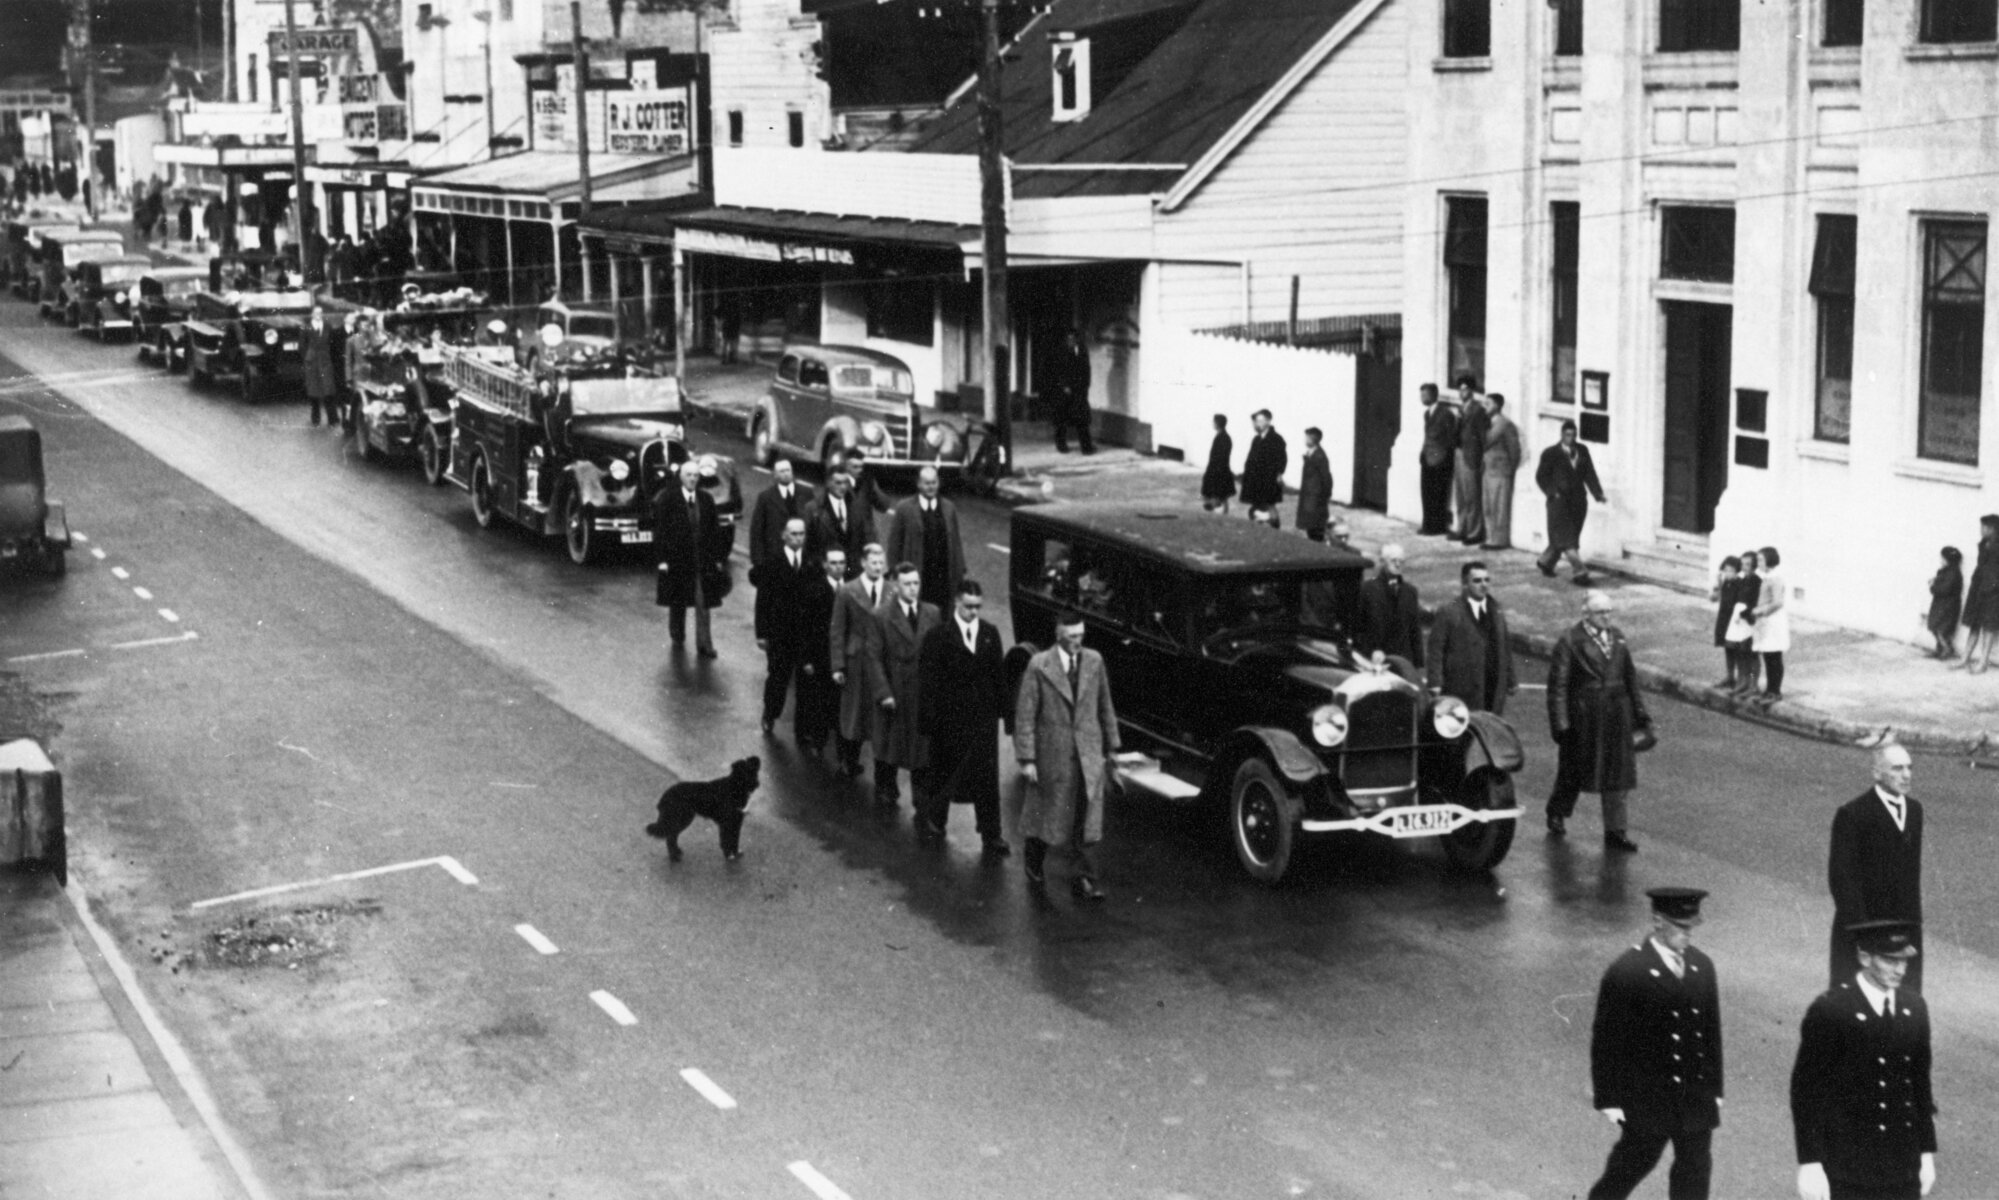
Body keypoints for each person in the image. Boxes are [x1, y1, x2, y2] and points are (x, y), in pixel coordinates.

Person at [1585, 887, 1723, 1200]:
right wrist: (1609, 1099)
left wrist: (1715, 1090)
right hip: (1648, 1099)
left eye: (1691, 927)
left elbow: (1710, 1032)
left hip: (1694, 1096)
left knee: (1695, 1171)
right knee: (1632, 1165)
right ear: (1657, 922)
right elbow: (1606, 1041)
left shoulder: (1702, 966)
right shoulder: (1628, 971)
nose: (1688, 934)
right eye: (1680, 927)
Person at [1790, 919, 1936, 1200]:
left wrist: (1926, 1151)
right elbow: (1806, 1091)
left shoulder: (1914, 1008)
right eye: (1890, 960)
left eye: (1904, 960)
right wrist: (1810, 1161)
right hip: (1848, 1166)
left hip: (1902, 1166)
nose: (1900, 969)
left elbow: (1919, 1085)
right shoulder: (1831, 1010)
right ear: (1864, 957)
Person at [1013, 611, 1121, 902]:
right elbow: (1025, 715)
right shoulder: (1039, 665)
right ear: (1059, 635)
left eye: (1081, 636)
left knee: (1085, 820)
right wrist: (1027, 759)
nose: (1078, 642)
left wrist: (1112, 749)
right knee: (1047, 813)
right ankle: (1034, 860)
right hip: (1053, 754)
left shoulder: (1094, 662)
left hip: (1087, 754)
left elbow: (1105, 706)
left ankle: (1084, 878)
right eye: (1072, 637)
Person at [1547, 590, 1653, 851]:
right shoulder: (1571, 640)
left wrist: (1640, 713)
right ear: (1586, 614)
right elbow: (1558, 686)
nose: (1606, 617)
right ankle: (1557, 812)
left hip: (1617, 714)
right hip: (1585, 717)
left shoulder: (1618, 637)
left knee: (1618, 774)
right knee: (1574, 769)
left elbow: (1630, 678)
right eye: (1600, 612)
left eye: (1609, 611)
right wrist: (1561, 724)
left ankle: (1616, 831)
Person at [916, 579, 1009, 854]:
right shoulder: (939, 636)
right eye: (968, 606)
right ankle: (936, 820)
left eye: (978, 607)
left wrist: (1006, 715)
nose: (973, 612)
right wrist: (928, 721)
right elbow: (928, 682)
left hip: (982, 721)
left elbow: (998, 677)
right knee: (944, 772)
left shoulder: (990, 634)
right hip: (949, 721)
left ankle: (991, 834)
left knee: (985, 779)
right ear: (957, 602)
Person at [1827, 744, 1924, 994]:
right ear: (1877, 773)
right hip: (1866, 929)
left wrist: (1913, 927)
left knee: (1905, 1004)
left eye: (1909, 768)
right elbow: (1842, 878)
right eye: (1897, 768)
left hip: (1904, 928)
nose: (1906, 775)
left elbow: (1910, 875)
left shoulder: (1914, 811)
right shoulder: (1853, 814)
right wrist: (1863, 934)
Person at [867, 562, 939, 809]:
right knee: (889, 744)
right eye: (907, 584)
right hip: (895, 688)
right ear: (896, 586)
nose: (912, 589)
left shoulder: (932, 613)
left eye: (916, 583)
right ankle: (886, 787)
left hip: (921, 691)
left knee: (922, 749)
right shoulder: (881, 615)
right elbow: (873, 657)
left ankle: (922, 797)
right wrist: (883, 692)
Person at [829, 543, 890, 778]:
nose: (878, 567)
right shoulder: (848, 591)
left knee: (881, 720)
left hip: (882, 662)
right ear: (864, 563)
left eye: (881, 563)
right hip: (857, 661)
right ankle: (848, 761)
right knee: (854, 715)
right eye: (873, 562)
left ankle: (884, 779)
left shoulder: (892, 590)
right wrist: (837, 665)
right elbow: (837, 630)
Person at [654, 458, 724, 658]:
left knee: (703, 603)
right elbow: (660, 531)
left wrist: (716, 558)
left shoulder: (706, 500)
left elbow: (714, 531)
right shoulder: (668, 499)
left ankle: (705, 645)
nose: (693, 479)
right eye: (689, 475)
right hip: (677, 560)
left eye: (696, 475)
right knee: (678, 601)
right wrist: (662, 560)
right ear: (681, 477)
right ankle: (677, 635)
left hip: (701, 560)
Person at [753, 518, 816, 738]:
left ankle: (803, 729)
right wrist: (761, 634)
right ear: (784, 536)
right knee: (778, 677)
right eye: (794, 534)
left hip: (804, 634)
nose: (799, 538)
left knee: (805, 683)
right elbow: (762, 600)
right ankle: (770, 714)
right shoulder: (773, 562)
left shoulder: (811, 563)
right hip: (779, 632)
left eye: (802, 534)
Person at [1427, 561, 1515, 714]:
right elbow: (1436, 649)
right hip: (1462, 687)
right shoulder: (1449, 611)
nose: (1484, 585)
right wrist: (1435, 681)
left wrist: (1511, 679)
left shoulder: (1497, 610)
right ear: (1464, 583)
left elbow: (1505, 646)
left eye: (1487, 580)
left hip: (1493, 685)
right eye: (1477, 581)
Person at [885, 466, 966, 611]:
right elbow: (895, 543)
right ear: (919, 484)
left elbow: (956, 543)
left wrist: (960, 571)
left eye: (934, 483)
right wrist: (894, 570)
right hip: (918, 572)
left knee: (942, 615)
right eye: (927, 483)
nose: (931, 487)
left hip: (943, 575)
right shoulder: (905, 508)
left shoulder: (948, 508)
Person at [796, 546, 847, 757]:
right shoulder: (814, 590)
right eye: (833, 563)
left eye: (842, 563)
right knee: (819, 700)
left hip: (841, 655)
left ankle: (841, 750)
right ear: (825, 565)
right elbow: (804, 627)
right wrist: (806, 659)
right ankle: (819, 741)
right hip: (819, 655)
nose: (838, 567)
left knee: (839, 701)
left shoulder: (850, 590)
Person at [1355, 544, 1424, 669]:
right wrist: (1370, 651)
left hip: (1403, 660)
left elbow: (1415, 631)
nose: (1398, 564)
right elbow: (1358, 628)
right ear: (1383, 562)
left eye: (1401, 561)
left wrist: (1419, 665)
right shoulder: (1367, 589)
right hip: (1375, 660)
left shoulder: (1410, 591)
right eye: (1393, 560)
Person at [748, 458, 816, 573]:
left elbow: (814, 524)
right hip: (775, 555)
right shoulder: (766, 497)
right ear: (775, 475)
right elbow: (757, 530)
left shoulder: (806, 493)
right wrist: (758, 561)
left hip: (801, 554)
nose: (786, 474)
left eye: (788, 470)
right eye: (781, 471)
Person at [1954, 514, 1999, 673]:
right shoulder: (1983, 544)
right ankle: (1965, 658)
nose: (1981, 530)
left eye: (1983, 527)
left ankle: (1983, 662)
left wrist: (1993, 586)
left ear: (1992, 529)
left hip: (1993, 592)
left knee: (1988, 627)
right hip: (1978, 589)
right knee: (1974, 623)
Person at [806, 469, 869, 577]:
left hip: (851, 572)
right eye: (838, 483)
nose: (843, 487)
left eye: (845, 482)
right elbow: (807, 543)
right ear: (828, 483)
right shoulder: (814, 509)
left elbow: (863, 537)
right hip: (824, 573)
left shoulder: (856, 507)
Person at [1479, 393, 1522, 550]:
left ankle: (1500, 540)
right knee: (1488, 506)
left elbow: (1514, 450)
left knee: (1500, 507)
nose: (1485, 407)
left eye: (1488, 404)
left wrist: (1509, 469)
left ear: (1497, 406)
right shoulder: (1488, 423)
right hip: (1488, 470)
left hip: (1500, 471)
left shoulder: (1505, 424)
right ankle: (1490, 537)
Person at [1452, 374, 1489, 545]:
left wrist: (1482, 458)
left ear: (1472, 391)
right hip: (1459, 453)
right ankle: (1462, 528)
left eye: (1465, 389)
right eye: (1460, 389)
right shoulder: (1460, 409)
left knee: (1472, 496)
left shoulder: (1478, 410)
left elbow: (1483, 436)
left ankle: (1474, 532)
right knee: (1460, 494)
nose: (1462, 393)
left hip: (1472, 455)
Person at [1418, 383, 1459, 536]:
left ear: (1433, 395)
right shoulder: (1427, 414)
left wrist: (1443, 458)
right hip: (1427, 458)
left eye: (1424, 395)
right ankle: (1427, 524)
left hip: (1440, 459)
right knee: (1427, 493)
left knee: (1438, 494)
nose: (1422, 398)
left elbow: (1450, 438)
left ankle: (1436, 527)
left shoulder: (1445, 414)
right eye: (1421, 395)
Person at [1751, 545, 1790, 704]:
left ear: (1769, 560)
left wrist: (1761, 611)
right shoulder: (1764, 576)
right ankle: (1769, 689)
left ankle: (1775, 690)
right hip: (1765, 621)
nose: (1758, 562)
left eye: (1760, 559)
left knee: (1774, 657)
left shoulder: (1775, 578)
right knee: (1767, 656)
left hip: (1773, 621)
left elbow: (1778, 602)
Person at [1239, 409, 1288, 527]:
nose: (1256, 424)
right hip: (1255, 480)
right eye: (1255, 421)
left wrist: (1279, 474)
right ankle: (1259, 529)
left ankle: (1275, 529)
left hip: (1269, 480)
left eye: (1259, 420)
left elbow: (1282, 459)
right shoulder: (1256, 439)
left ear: (1268, 421)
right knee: (1256, 507)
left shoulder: (1276, 439)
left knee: (1270, 505)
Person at [1051, 328, 1095, 454]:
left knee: (1082, 418)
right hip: (1065, 391)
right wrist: (1064, 385)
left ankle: (1086, 447)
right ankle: (1061, 444)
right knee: (1062, 419)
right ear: (1066, 340)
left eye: (1074, 339)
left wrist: (1086, 386)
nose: (1072, 341)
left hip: (1079, 390)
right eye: (1069, 339)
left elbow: (1086, 369)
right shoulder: (1061, 352)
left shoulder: (1082, 350)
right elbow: (1057, 370)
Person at [1710, 556, 1751, 692]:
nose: (1728, 574)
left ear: (1737, 571)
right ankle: (1729, 676)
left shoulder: (1739, 583)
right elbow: (1713, 599)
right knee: (1727, 648)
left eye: (1731, 571)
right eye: (1726, 570)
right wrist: (1716, 585)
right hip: (1724, 618)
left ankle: (1740, 679)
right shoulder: (1724, 583)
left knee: (1736, 649)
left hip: (1733, 619)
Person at [1732, 549, 1764, 697]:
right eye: (1743, 563)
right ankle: (1743, 681)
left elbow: (1757, 601)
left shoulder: (1756, 581)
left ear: (1754, 566)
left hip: (1751, 620)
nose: (1744, 566)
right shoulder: (1742, 580)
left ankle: (1753, 684)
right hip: (1740, 620)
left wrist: (1746, 613)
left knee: (1752, 653)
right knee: (1741, 651)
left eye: (1748, 564)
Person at [1923, 547, 1963, 661]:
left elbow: (1945, 589)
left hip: (1947, 607)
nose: (1941, 561)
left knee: (1941, 629)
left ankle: (1947, 649)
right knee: (1935, 627)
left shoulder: (1953, 573)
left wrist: (1932, 586)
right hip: (1941, 605)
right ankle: (1940, 649)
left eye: (1943, 558)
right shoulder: (1947, 571)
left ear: (1949, 560)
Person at [303, 305, 339, 428]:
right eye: (316, 312)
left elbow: (333, 344)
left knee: (328, 389)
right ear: (312, 314)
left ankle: (333, 419)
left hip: (325, 361)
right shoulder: (305, 327)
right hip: (312, 362)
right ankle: (315, 419)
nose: (319, 314)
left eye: (321, 312)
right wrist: (308, 357)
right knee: (313, 391)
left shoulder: (328, 326)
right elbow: (302, 346)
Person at [841, 447, 891, 536]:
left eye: (861, 467)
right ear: (846, 466)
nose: (860, 470)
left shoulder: (867, 483)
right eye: (855, 467)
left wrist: (873, 486)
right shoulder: (838, 483)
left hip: (865, 537)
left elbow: (884, 506)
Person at [1296, 426, 1332, 541]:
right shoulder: (1311, 454)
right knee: (1309, 525)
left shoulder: (1320, 456)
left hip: (1315, 497)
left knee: (1315, 527)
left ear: (1313, 439)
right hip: (1309, 496)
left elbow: (1326, 477)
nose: (1305, 440)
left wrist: (1325, 495)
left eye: (1307, 437)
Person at [1201, 413, 1236, 513]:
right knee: (1220, 493)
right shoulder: (1223, 436)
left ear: (1217, 424)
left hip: (1219, 469)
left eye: (1214, 422)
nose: (1213, 424)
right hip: (1220, 468)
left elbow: (1219, 456)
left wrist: (1213, 469)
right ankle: (1216, 507)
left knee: (1220, 493)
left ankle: (1220, 510)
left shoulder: (1223, 438)